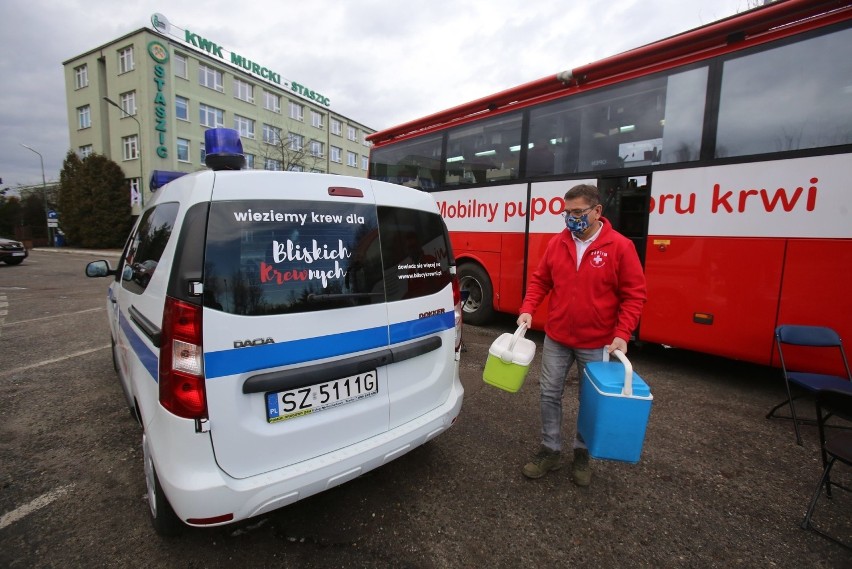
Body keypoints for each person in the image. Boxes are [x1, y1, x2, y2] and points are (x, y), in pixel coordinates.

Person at [518, 183, 646, 487]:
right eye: (567, 212)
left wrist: (622, 333)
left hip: (597, 342)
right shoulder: (557, 244)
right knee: (549, 393)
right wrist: (528, 308)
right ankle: (550, 449)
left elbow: (634, 295)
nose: (571, 218)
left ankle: (582, 453)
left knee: (591, 401)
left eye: (578, 212)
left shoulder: (620, 247)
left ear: (597, 211)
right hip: (557, 337)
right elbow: (540, 281)